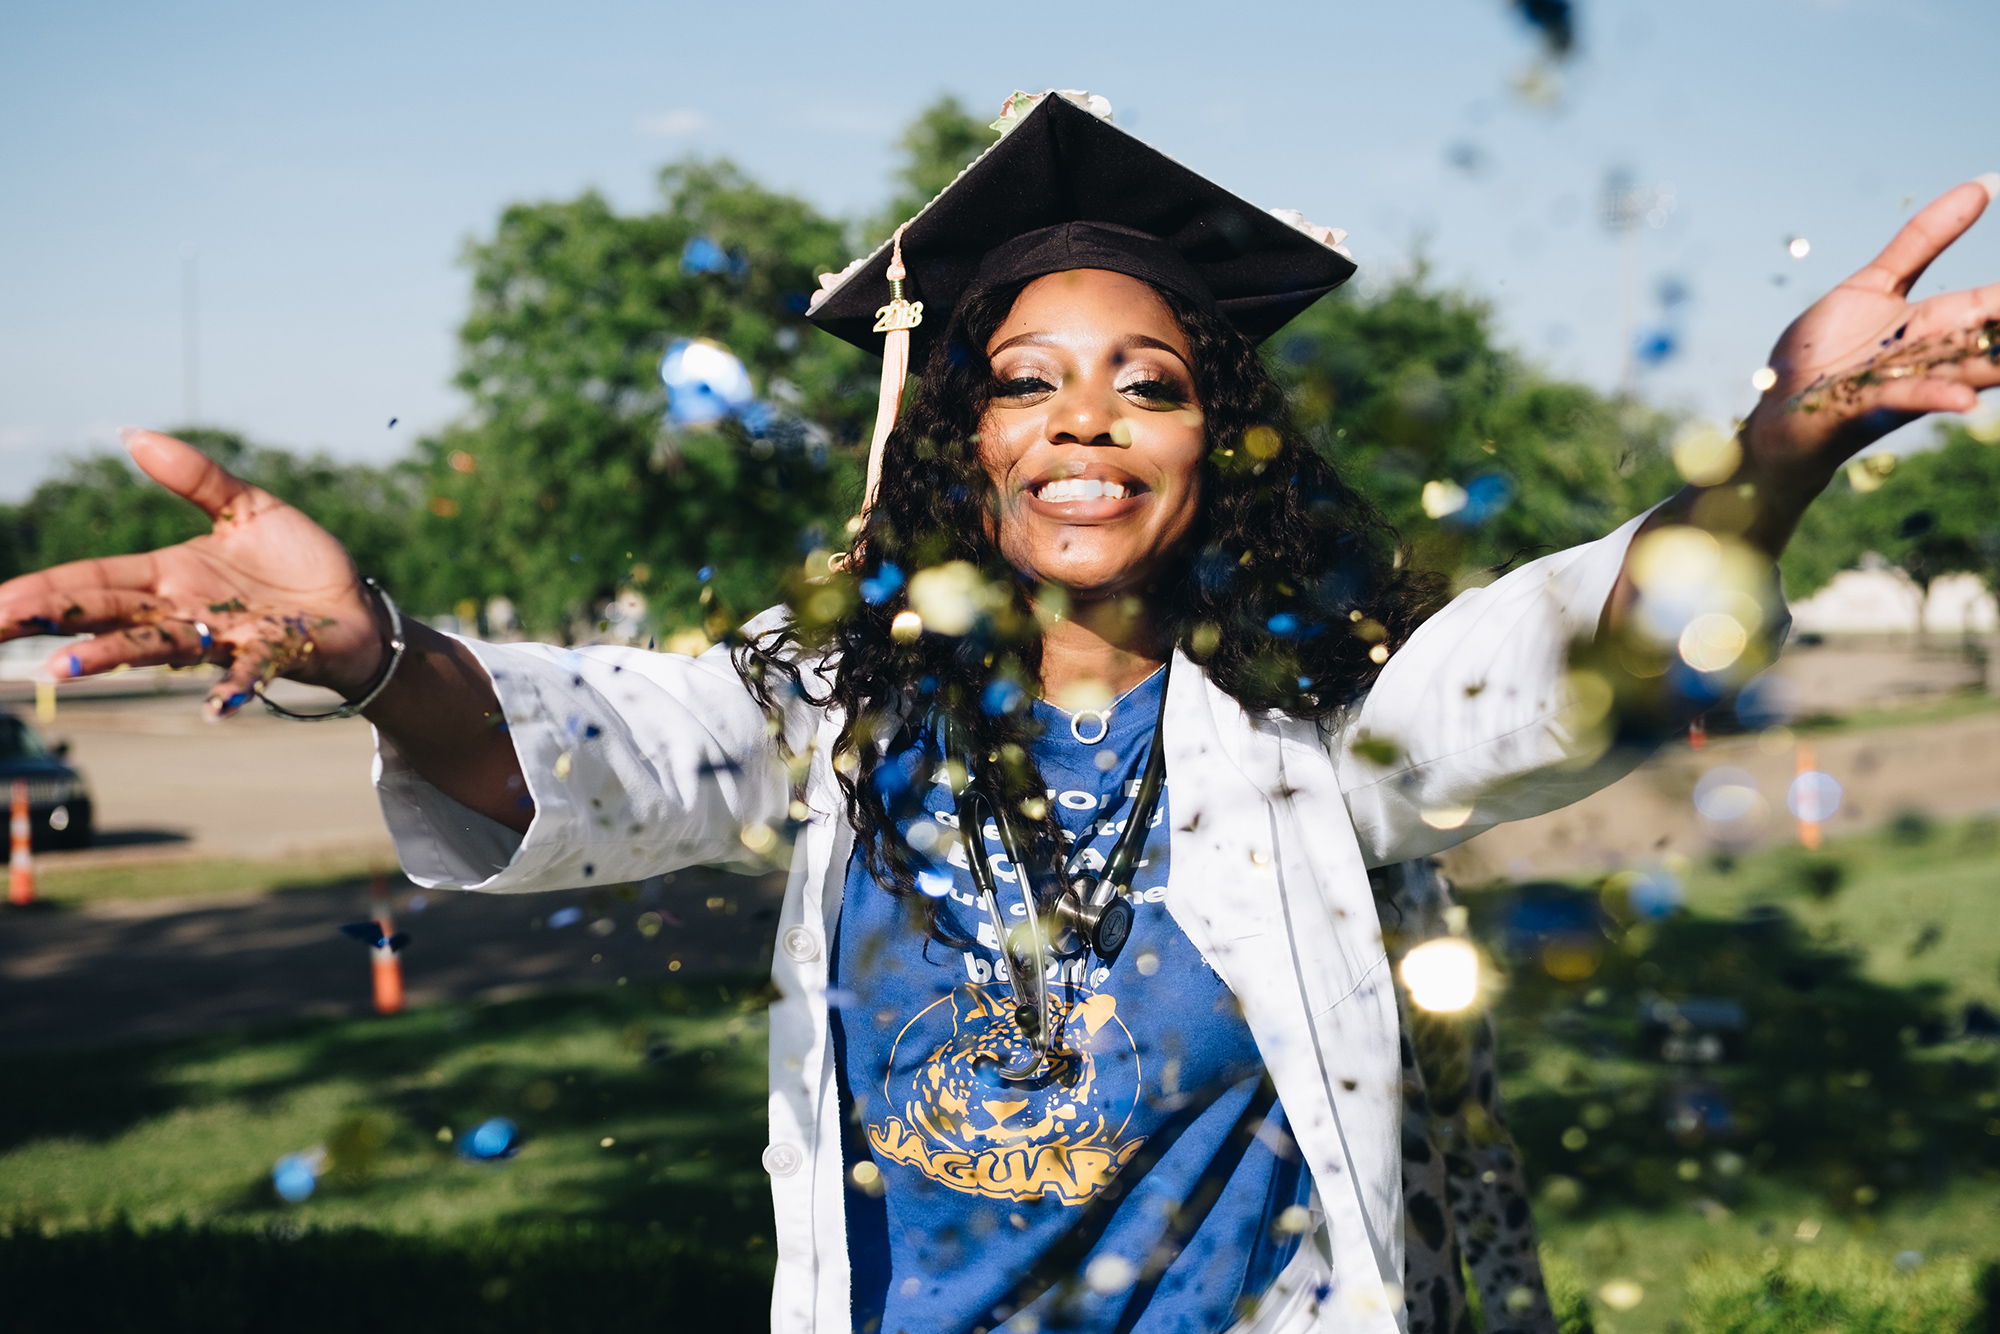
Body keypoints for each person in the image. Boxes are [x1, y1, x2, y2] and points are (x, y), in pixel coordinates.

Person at [2, 89, 1995, 1334]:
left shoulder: (1320, 730)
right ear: (952, 432)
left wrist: (1778, 448)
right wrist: (373, 652)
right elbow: (595, 743)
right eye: (1026, 379)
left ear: (1221, 436)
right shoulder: (833, 712)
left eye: (1149, 380)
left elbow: (1565, 659)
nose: (1086, 426)